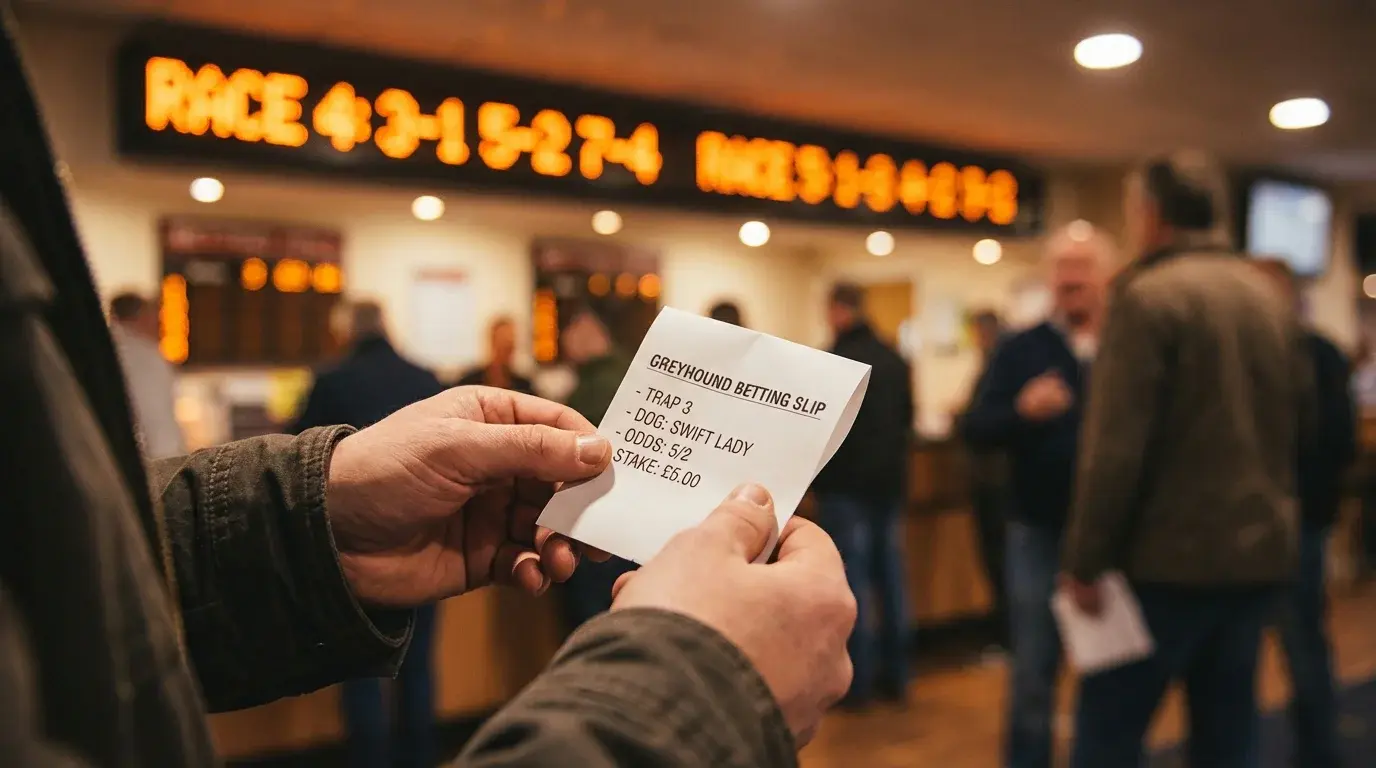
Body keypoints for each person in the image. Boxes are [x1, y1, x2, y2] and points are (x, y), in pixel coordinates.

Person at [0, 14, 856, 767]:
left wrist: (315, 517)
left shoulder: (341, 391)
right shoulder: (421, 376)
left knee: (378, 680)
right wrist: (694, 687)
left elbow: (47, 563)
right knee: (417, 672)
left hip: (393, 560)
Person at [1060, 154, 1312, 768]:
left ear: (1151, 214)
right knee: (1229, 738)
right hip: (1255, 560)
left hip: (1164, 566)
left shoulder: (1146, 297)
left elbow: (1115, 449)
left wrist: (1085, 559)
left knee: (1107, 739)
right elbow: (1302, 423)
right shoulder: (1265, 295)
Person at [959, 227, 1111, 768]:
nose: (1071, 278)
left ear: (1105, 276)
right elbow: (976, 427)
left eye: (1083, 266)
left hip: (1113, 538)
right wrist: (1022, 411)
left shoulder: (1126, 346)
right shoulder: (1022, 348)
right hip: (1037, 531)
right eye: (1062, 266)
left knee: (1111, 676)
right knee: (1032, 673)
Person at [289, 300, 446, 768]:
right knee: (417, 666)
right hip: (425, 536)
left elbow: (296, 458)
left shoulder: (332, 381)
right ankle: (421, 759)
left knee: (360, 667)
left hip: (352, 546)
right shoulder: (426, 379)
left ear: (347, 332)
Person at [1255, 259, 1355, 768]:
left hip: (1297, 524)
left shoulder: (1319, 356)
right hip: (1249, 529)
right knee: (1241, 651)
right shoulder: (1241, 359)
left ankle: (1318, 749)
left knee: (1302, 642)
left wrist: (1307, 507)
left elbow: (1336, 443)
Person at [812, 282, 915, 706]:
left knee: (850, 583)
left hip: (847, 486)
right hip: (889, 485)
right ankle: (899, 675)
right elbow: (908, 418)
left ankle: (857, 683)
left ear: (838, 310)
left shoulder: (832, 360)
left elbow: (822, 431)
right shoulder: (895, 358)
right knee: (891, 580)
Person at [556, 305, 638, 628]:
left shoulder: (596, 385)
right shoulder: (630, 372)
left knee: (589, 622)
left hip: (594, 521)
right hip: (629, 524)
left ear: (589, 332)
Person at [960, 309, 1011, 652]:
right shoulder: (997, 367)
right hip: (998, 482)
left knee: (1000, 562)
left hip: (994, 483)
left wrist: (965, 419)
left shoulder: (998, 370)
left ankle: (1006, 636)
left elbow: (979, 424)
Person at [108, 291, 187, 459]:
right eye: (156, 319)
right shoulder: (144, 357)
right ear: (141, 317)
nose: (160, 326)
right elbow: (157, 422)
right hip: (149, 465)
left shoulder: (106, 349)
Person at [456, 316, 535, 395]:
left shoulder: (524, 387)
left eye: (511, 346)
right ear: (492, 342)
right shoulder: (468, 384)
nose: (508, 353)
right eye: (504, 346)